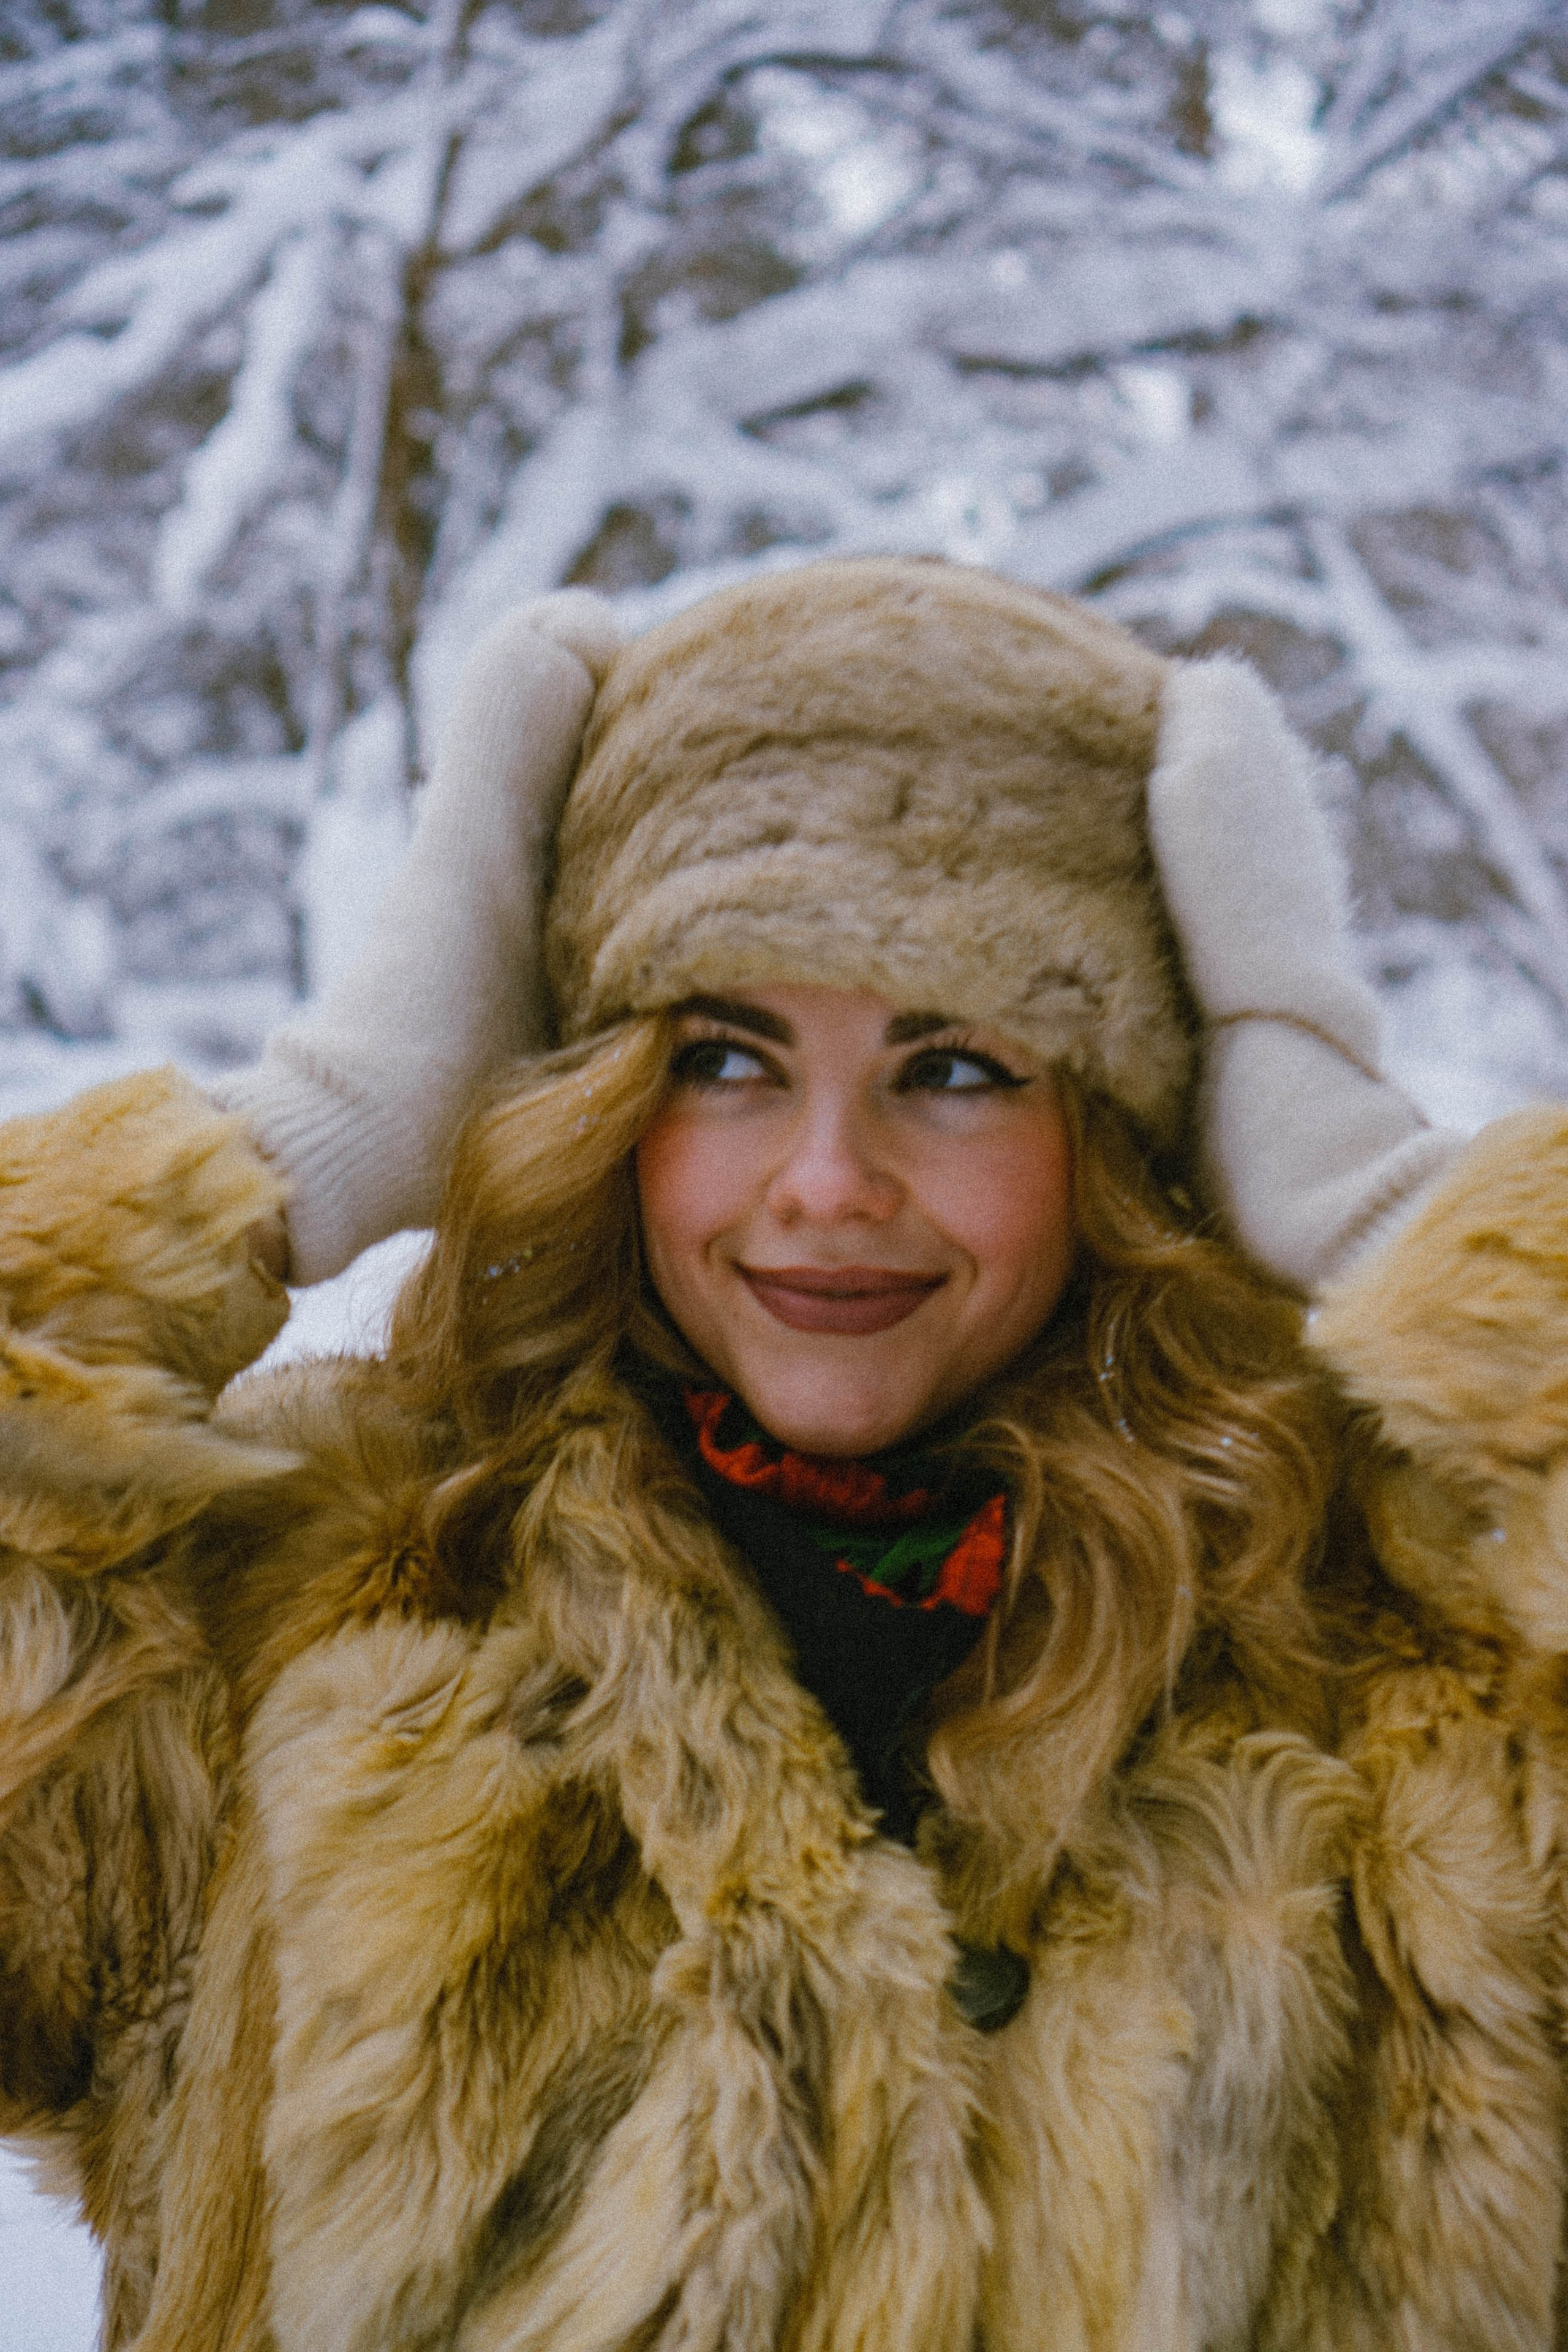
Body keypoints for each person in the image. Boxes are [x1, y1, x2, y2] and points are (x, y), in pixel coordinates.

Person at [2, 556, 1566, 2352]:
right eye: (725, 1058)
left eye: (958, 1066)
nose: (828, 1181)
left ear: (1122, 1130)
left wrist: (1388, 1206)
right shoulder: (288, 1612)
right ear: (593, 1098)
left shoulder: (1419, 1696)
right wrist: (298, 1144)